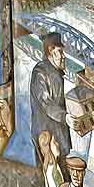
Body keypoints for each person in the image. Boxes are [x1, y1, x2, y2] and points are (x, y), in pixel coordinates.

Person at [30, 31, 72, 168]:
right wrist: (65, 117)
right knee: (48, 181)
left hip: (60, 139)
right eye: (60, 52)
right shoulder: (40, 72)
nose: (63, 56)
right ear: (50, 51)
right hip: (46, 139)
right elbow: (46, 102)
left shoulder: (57, 73)